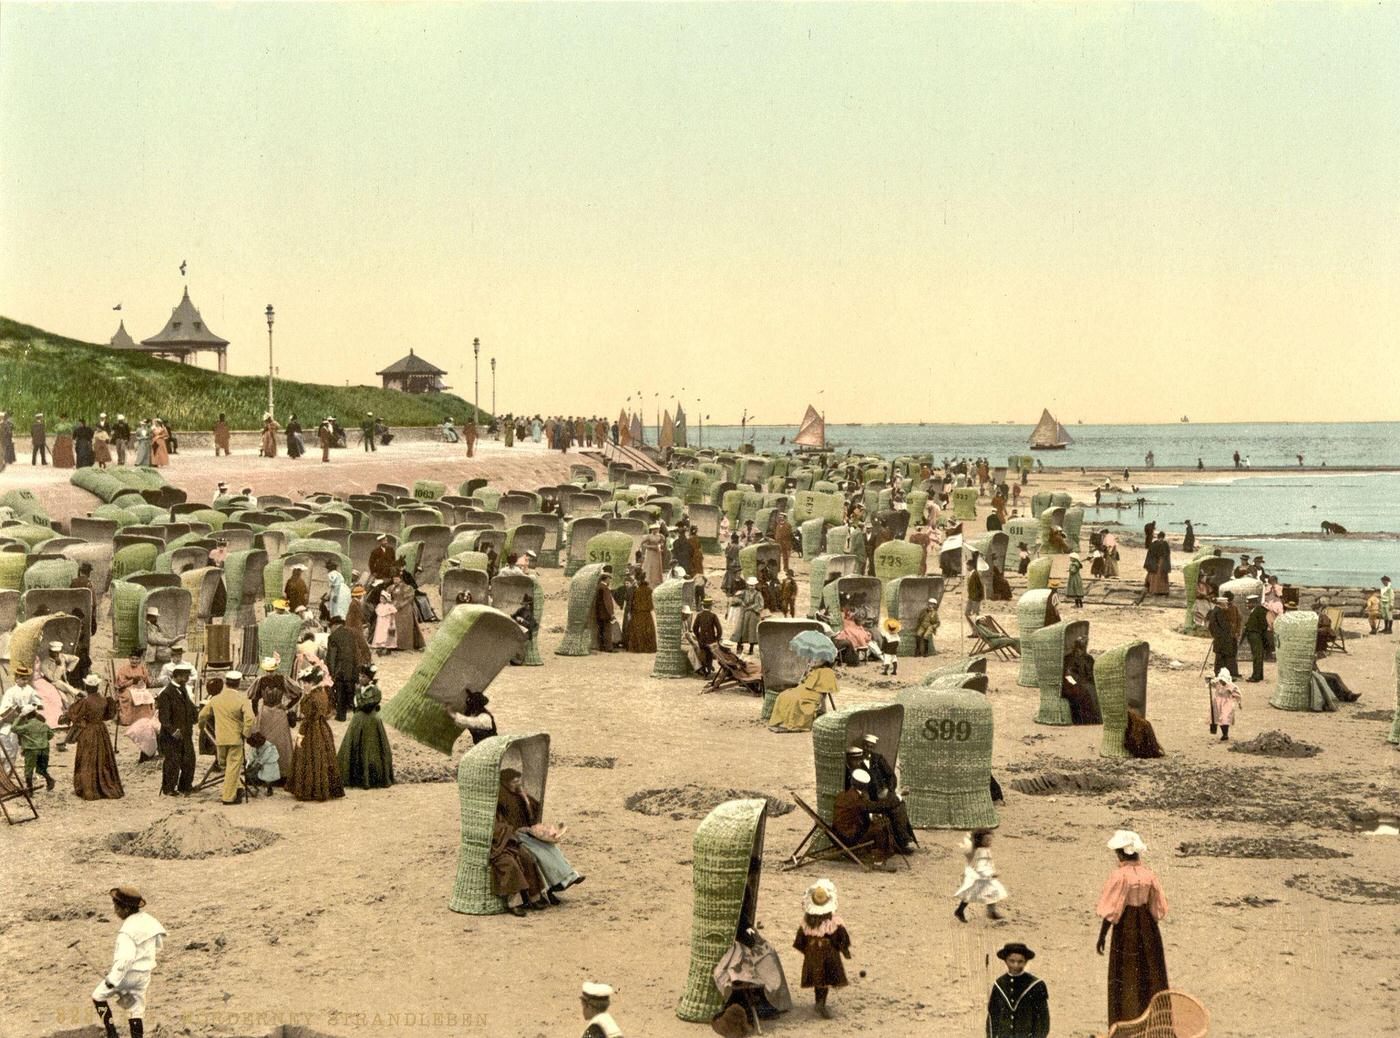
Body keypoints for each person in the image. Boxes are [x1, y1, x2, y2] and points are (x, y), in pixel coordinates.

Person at [1096, 830, 1169, 1027]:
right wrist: (1148, 924)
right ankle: (1153, 1023)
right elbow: (1158, 908)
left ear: (1120, 854)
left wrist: (1102, 936)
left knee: (1125, 973)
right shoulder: (1149, 875)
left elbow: (1111, 909)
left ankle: (1126, 1021)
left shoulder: (1119, 876)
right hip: (1148, 927)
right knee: (1151, 971)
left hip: (1126, 928)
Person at [497, 767, 584, 901]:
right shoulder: (501, 797)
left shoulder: (518, 794)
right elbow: (501, 821)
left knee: (552, 849)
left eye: (519, 781)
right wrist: (516, 831)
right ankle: (551, 888)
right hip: (514, 836)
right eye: (514, 782)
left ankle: (569, 877)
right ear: (505, 782)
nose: (518, 784)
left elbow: (533, 811)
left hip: (527, 832)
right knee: (539, 854)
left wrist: (525, 798)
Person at [92, 886, 165, 1038]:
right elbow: (159, 944)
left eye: (116, 907)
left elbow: (125, 959)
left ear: (125, 909)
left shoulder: (126, 932)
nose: (114, 911)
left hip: (126, 975)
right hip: (145, 973)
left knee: (98, 996)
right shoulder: (150, 921)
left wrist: (113, 980)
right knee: (136, 1010)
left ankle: (112, 1034)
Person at [793, 879, 851, 1019]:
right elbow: (841, 937)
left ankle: (818, 1002)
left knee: (817, 978)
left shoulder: (807, 922)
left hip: (812, 953)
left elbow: (800, 941)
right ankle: (821, 1004)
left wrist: (808, 952)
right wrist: (843, 950)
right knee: (825, 980)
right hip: (827, 953)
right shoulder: (833, 921)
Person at [287, 667, 345, 802]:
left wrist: (301, 733)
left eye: (306, 682)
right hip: (323, 727)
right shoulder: (323, 693)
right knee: (323, 756)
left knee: (309, 756)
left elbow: (307, 715)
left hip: (311, 728)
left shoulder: (311, 697)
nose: (304, 685)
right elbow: (329, 711)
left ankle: (310, 789)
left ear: (312, 682)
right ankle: (324, 787)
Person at [198, 671, 256, 805]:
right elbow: (250, 718)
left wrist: (202, 727)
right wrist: (246, 733)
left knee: (227, 766)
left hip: (220, 739)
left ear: (226, 683)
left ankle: (238, 788)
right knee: (233, 767)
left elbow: (202, 715)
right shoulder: (242, 699)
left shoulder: (216, 699)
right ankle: (229, 797)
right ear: (239, 683)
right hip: (236, 739)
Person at [63, 675, 124, 800]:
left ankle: (89, 789)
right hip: (101, 730)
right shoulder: (104, 700)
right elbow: (108, 715)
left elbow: (74, 715)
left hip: (88, 731)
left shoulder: (84, 702)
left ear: (86, 687)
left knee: (87, 757)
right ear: (97, 687)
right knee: (103, 756)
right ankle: (105, 785)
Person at [338, 665, 394, 789]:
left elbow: (366, 705)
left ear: (370, 679)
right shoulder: (361, 689)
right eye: (359, 676)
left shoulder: (375, 690)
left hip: (371, 723)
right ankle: (356, 778)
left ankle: (370, 779)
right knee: (356, 746)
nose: (360, 678)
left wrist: (358, 694)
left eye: (363, 676)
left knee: (369, 749)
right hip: (358, 722)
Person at [986, 942, 1050, 1038]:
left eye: (1020, 961)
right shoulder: (999, 984)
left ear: (1026, 961)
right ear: (1005, 961)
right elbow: (993, 1016)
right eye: (1011, 961)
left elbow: (1043, 1019)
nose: (1016, 965)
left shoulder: (1036, 985)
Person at [155, 665, 199, 796]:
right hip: (171, 736)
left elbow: (189, 707)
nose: (187, 678)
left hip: (186, 733)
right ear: (176, 676)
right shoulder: (166, 693)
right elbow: (164, 717)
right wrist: (173, 731)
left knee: (189, 760)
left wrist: (197, 714)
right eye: (184, 676)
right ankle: (169, 789)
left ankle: (185, 786)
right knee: (172, 762)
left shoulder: (183, 689)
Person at [769, 658, 838, 734]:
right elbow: (803, 682)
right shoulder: (812, 669)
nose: (814, 661)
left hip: (813, 693)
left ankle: (793, 723)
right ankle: (782, 721)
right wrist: (806, 673)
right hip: (802, 689)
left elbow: (823, 690)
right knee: (783, 695)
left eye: (817, 660)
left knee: (795, 700)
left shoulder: (827, 672)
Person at [954, 830, 1006, 922]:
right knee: (974, 893)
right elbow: (980, 864)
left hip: (985, 876)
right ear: (980, 841)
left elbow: (989, 863)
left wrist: (992, 871)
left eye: (990, 840)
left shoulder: (986, 850)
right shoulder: (981, 851)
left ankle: (991, 911)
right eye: (986, 840)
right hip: (981, 876)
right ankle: (990, 912)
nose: (989, 842)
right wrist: (989, 873)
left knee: (987, 891)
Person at [12, 703, 55, 792]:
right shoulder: (43, 724)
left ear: (26, 716)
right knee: (41, 769)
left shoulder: (27, 726)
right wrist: (42, 740)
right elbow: (51, 735)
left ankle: (30, 789)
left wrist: (19, 717)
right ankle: (49, 780)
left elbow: (13, 728)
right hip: (44, 749)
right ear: (35, 713)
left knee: (29, 770)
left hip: (31, 750)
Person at [1206, 596, 1239, 678]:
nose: (1226, 605)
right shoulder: (1219, 612)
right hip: (1222, 639)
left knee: (1221, 657)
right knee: (1220, 658)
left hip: (1220, 639)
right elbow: (1217, 626)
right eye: (1225, 603)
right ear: (1221, 603)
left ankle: (1222, 674)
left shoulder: (1217, 611)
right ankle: (1220, 674)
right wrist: (1218, 636)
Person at [691, 597, 723, 677]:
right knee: (709, 655)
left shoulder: (699, 615)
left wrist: (698, 636)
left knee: (702, 654)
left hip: (702, 640)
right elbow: (719, 630)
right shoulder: (713, 616)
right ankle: (708, 671)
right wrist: (716, 639)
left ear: (703, 606)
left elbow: (694, 628)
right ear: (711, 606)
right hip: (711, 640)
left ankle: (704, 670)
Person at [242, 732, 280, 796]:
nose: (254, 747)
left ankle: (269, 788)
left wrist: (259, 764)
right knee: (252, 770)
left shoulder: (268, 747)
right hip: (260, 759)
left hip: (269, 761)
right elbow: (251, 755)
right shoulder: (253, 746)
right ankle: (256, 783)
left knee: (268, 775)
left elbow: (266, 756)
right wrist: (248, 764)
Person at [1209, 667, 1242, 741]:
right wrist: (1209, 679)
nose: (1222, 682)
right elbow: (1210, 683)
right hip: (1217, 703)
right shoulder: (1217, 683)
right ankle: (1223, 732)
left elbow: (1237, 694)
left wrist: (1239, 702)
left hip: (1227, 704)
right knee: (1217, 718)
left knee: (1225, 718)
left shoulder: (1231, 686)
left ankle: (1225, 734)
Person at [1242, 593, 1269, 681]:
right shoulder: (1256, 610)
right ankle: (1259, 675)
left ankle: (1256, 676)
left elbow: (1263, 624)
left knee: (1257, 656)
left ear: (1253, 603)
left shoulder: (1260, 610)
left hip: (1256, 636)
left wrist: (1258, 633)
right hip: (1255, 635)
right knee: (1257, 656)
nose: (1247, 605)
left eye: (1248, 603)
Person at [1143, 532, 1171, 596]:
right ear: (1163, 537)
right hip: (1162, 562)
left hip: (1154, 562)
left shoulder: (1154, 544)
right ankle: (1162, 590)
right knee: (1161, 576)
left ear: (1158, 536)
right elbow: (1167, 554)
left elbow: (1150, 554)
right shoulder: (1165, 544)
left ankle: (1153, 589)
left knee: (1153, 575)